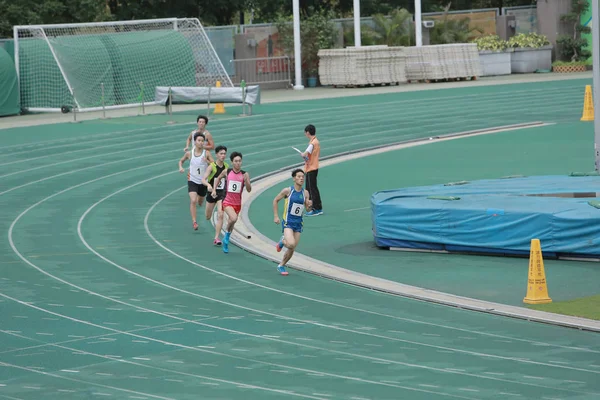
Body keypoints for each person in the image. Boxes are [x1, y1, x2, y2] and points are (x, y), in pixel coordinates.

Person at [272, 169, 312, 276]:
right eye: (299, 177)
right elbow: (275, 200)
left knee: (292, 248)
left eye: (302, 177)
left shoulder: (305, 193)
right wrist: (276, 216)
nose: (301, 178)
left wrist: (309, 206)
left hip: (298, 223)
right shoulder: (288, 191)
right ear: (294, 178)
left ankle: (281, 265)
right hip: (288, 222)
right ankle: (283, 240)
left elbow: (307, 210)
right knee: (291, 243)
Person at [211, 152, 251, 253]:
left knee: (232, 222)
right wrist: (214, 189)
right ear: (232, 162)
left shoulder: (244, 174)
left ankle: (226, 240)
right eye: (236, 161)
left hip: (237, 203)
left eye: (239, 161)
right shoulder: (227, 172)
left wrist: (247, 181)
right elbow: (218, 178)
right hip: (227, 201)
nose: (238, 163)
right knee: (233, 218)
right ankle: (226, 237)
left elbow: (249, 190)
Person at [179, 132, 213, 230]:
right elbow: (181, 161)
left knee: (200, 201)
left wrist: (207, 161)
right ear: (195, 142)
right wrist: (181, 167)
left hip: (203, 181)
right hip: (192, 180)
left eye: (203, 141)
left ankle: (200, 200)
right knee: (193, 200)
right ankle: (194, 222)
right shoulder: (189, 153)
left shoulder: (206, 153)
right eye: (199, 140)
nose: (201, 143)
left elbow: (214, 164)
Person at [202, 145, 229, 246]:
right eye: (221, 154)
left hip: (221, 194)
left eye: (224, 154)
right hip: (211, 194)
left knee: (220, 214)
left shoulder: (226, 166)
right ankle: (208, 215)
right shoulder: (212, 166)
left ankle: (216, 238)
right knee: (208, 216)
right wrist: (209, 185)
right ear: (216, 155)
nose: (223, 155)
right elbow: (203, 179)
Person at [300, 124, 323, 216]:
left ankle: (315, 208)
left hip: (311, 168)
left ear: (308, 132)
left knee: (311, 189)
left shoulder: (312, 143)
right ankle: (316, 207)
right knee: (312, 188)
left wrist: (302, 154)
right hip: (314, 166)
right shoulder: (316, 141)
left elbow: (305, 154)